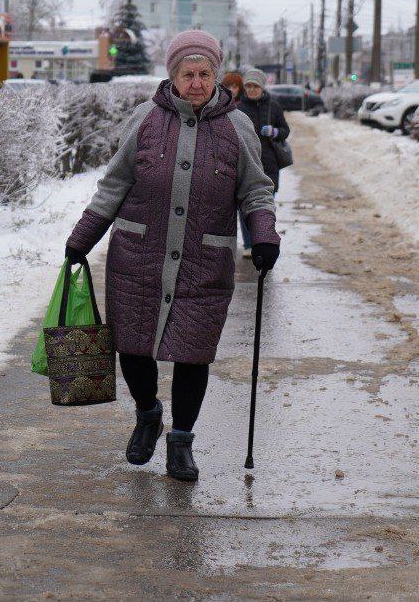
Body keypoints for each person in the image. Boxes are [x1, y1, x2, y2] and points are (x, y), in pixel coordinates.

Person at [65, 29, 280, 482]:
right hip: (138, 255)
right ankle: (147, 415)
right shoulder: (146, 119)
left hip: (204, 261)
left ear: (217, 77)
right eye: (189, 74)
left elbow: (257, 189)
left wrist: (263, 236)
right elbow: (115, 183)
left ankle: (180, 441)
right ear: (173, 76)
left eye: (205, 74)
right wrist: (82, 237)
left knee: (193, 355)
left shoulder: (237, 126)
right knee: (134, 348)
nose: (197, 82)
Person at [235, 68, 290, 257]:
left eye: (255, 86)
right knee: (245, 206)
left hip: (269, 164)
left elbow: (285, 130)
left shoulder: (274, 107)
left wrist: (275, 132)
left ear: (262, 87)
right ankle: (250, 245)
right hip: (247, 163)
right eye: (248, 86)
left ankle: (263, 242)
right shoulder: (238, 109)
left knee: (266, 205)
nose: (251, 90)